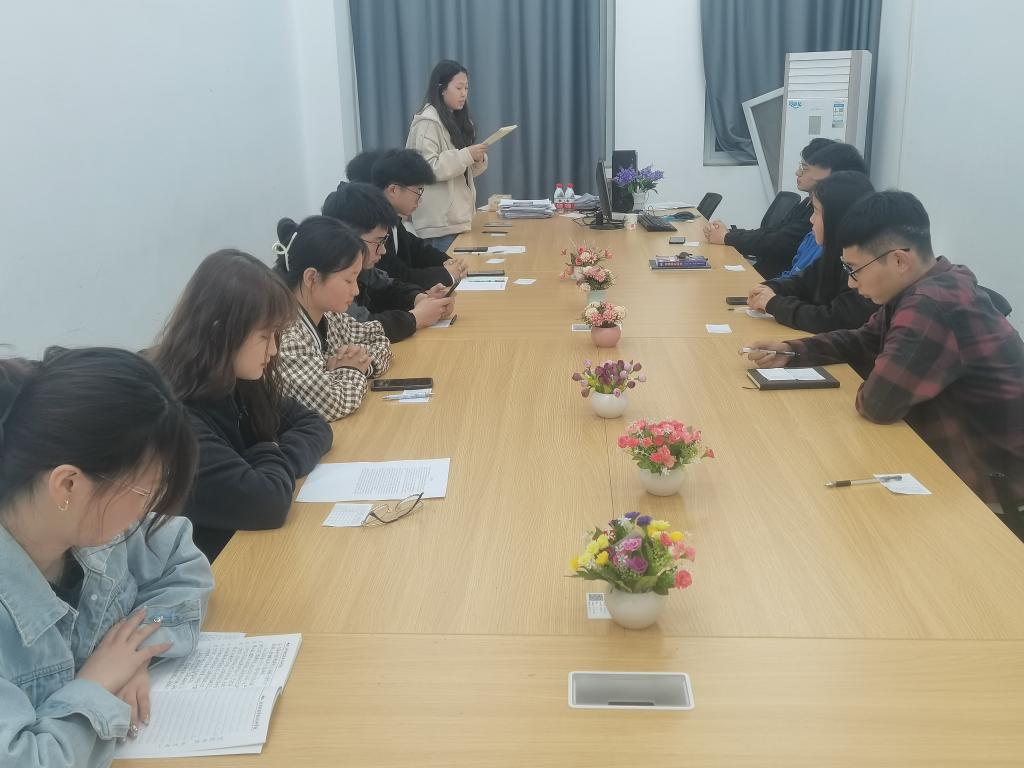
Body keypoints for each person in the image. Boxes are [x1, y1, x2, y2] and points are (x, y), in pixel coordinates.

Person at [0, 347, 213, 765]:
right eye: (144, 490)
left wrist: (135, 654)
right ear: (67, 485)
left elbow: (181, 563)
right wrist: (98, 685)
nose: (148, 508)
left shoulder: (94, 530)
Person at [746, 191, 1024, 506]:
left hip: (996, 481)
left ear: (899, 260)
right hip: (956, 452)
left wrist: (877, 370)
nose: (851, 283)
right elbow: (864, 339)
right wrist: (790, 350)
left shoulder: (932, 305)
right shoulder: (927, 284)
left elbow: (878, 403)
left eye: (854, 269)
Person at [152, 250, 333, 561]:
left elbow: (315, 424)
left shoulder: (237, 381)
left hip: (252, 547)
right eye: (264, 336)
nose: (273, 350)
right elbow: (267, 503)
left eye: (275, 335)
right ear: (220, 331)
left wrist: (266, 459)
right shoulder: (176, 418)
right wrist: (269, 453)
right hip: (216, 566)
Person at [273, 215, 393, 421]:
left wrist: (361, 364)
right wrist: (351, 368)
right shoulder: (285, 336)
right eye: (348, 280)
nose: (356, 290)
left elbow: (379, 338)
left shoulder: (330, 315)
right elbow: (330, 404)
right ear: (312, 277)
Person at [706, 141, 868, 279]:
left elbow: (779, 241)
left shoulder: (841, 248)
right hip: (775, 284)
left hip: (772, 279)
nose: (798, 172)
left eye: (805, 168)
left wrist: (728, 237)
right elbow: (775, 232)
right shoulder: (809, 210)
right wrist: (730, 234)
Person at [747, 171, 878, 333]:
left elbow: (832, 320)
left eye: (816, 212)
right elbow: (801, 283)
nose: (811, 219)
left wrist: (773, 303)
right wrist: (769, 288)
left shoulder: (863, 265)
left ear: (837, 217)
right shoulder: (833, 254)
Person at [322, 182, 454, 342]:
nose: (383, 251)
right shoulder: (328, 276)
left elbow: (390, 287)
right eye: (379, 242)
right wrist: (416, 318)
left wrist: (420, 298)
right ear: (348, 238)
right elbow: (359, 328)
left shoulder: (360, 267)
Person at [346, 148, 468, 290]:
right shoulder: (371, 223)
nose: (420, 200)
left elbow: (416, 249)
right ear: (393, 190)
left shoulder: (391, 216)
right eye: (418, 190)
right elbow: (395, 276)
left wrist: (447, 262)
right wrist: (447, 274)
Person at [406, 59, 489, 252]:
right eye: (458, 88)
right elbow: (427, 169)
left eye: (466, 88)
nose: (464, 93)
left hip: (457, 221)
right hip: (439, 225)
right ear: (441, 88)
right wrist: (466, 155)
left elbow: (459, 172)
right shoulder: (428, 121)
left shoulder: (454, 119)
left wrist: (476, 159)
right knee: (449, 271)